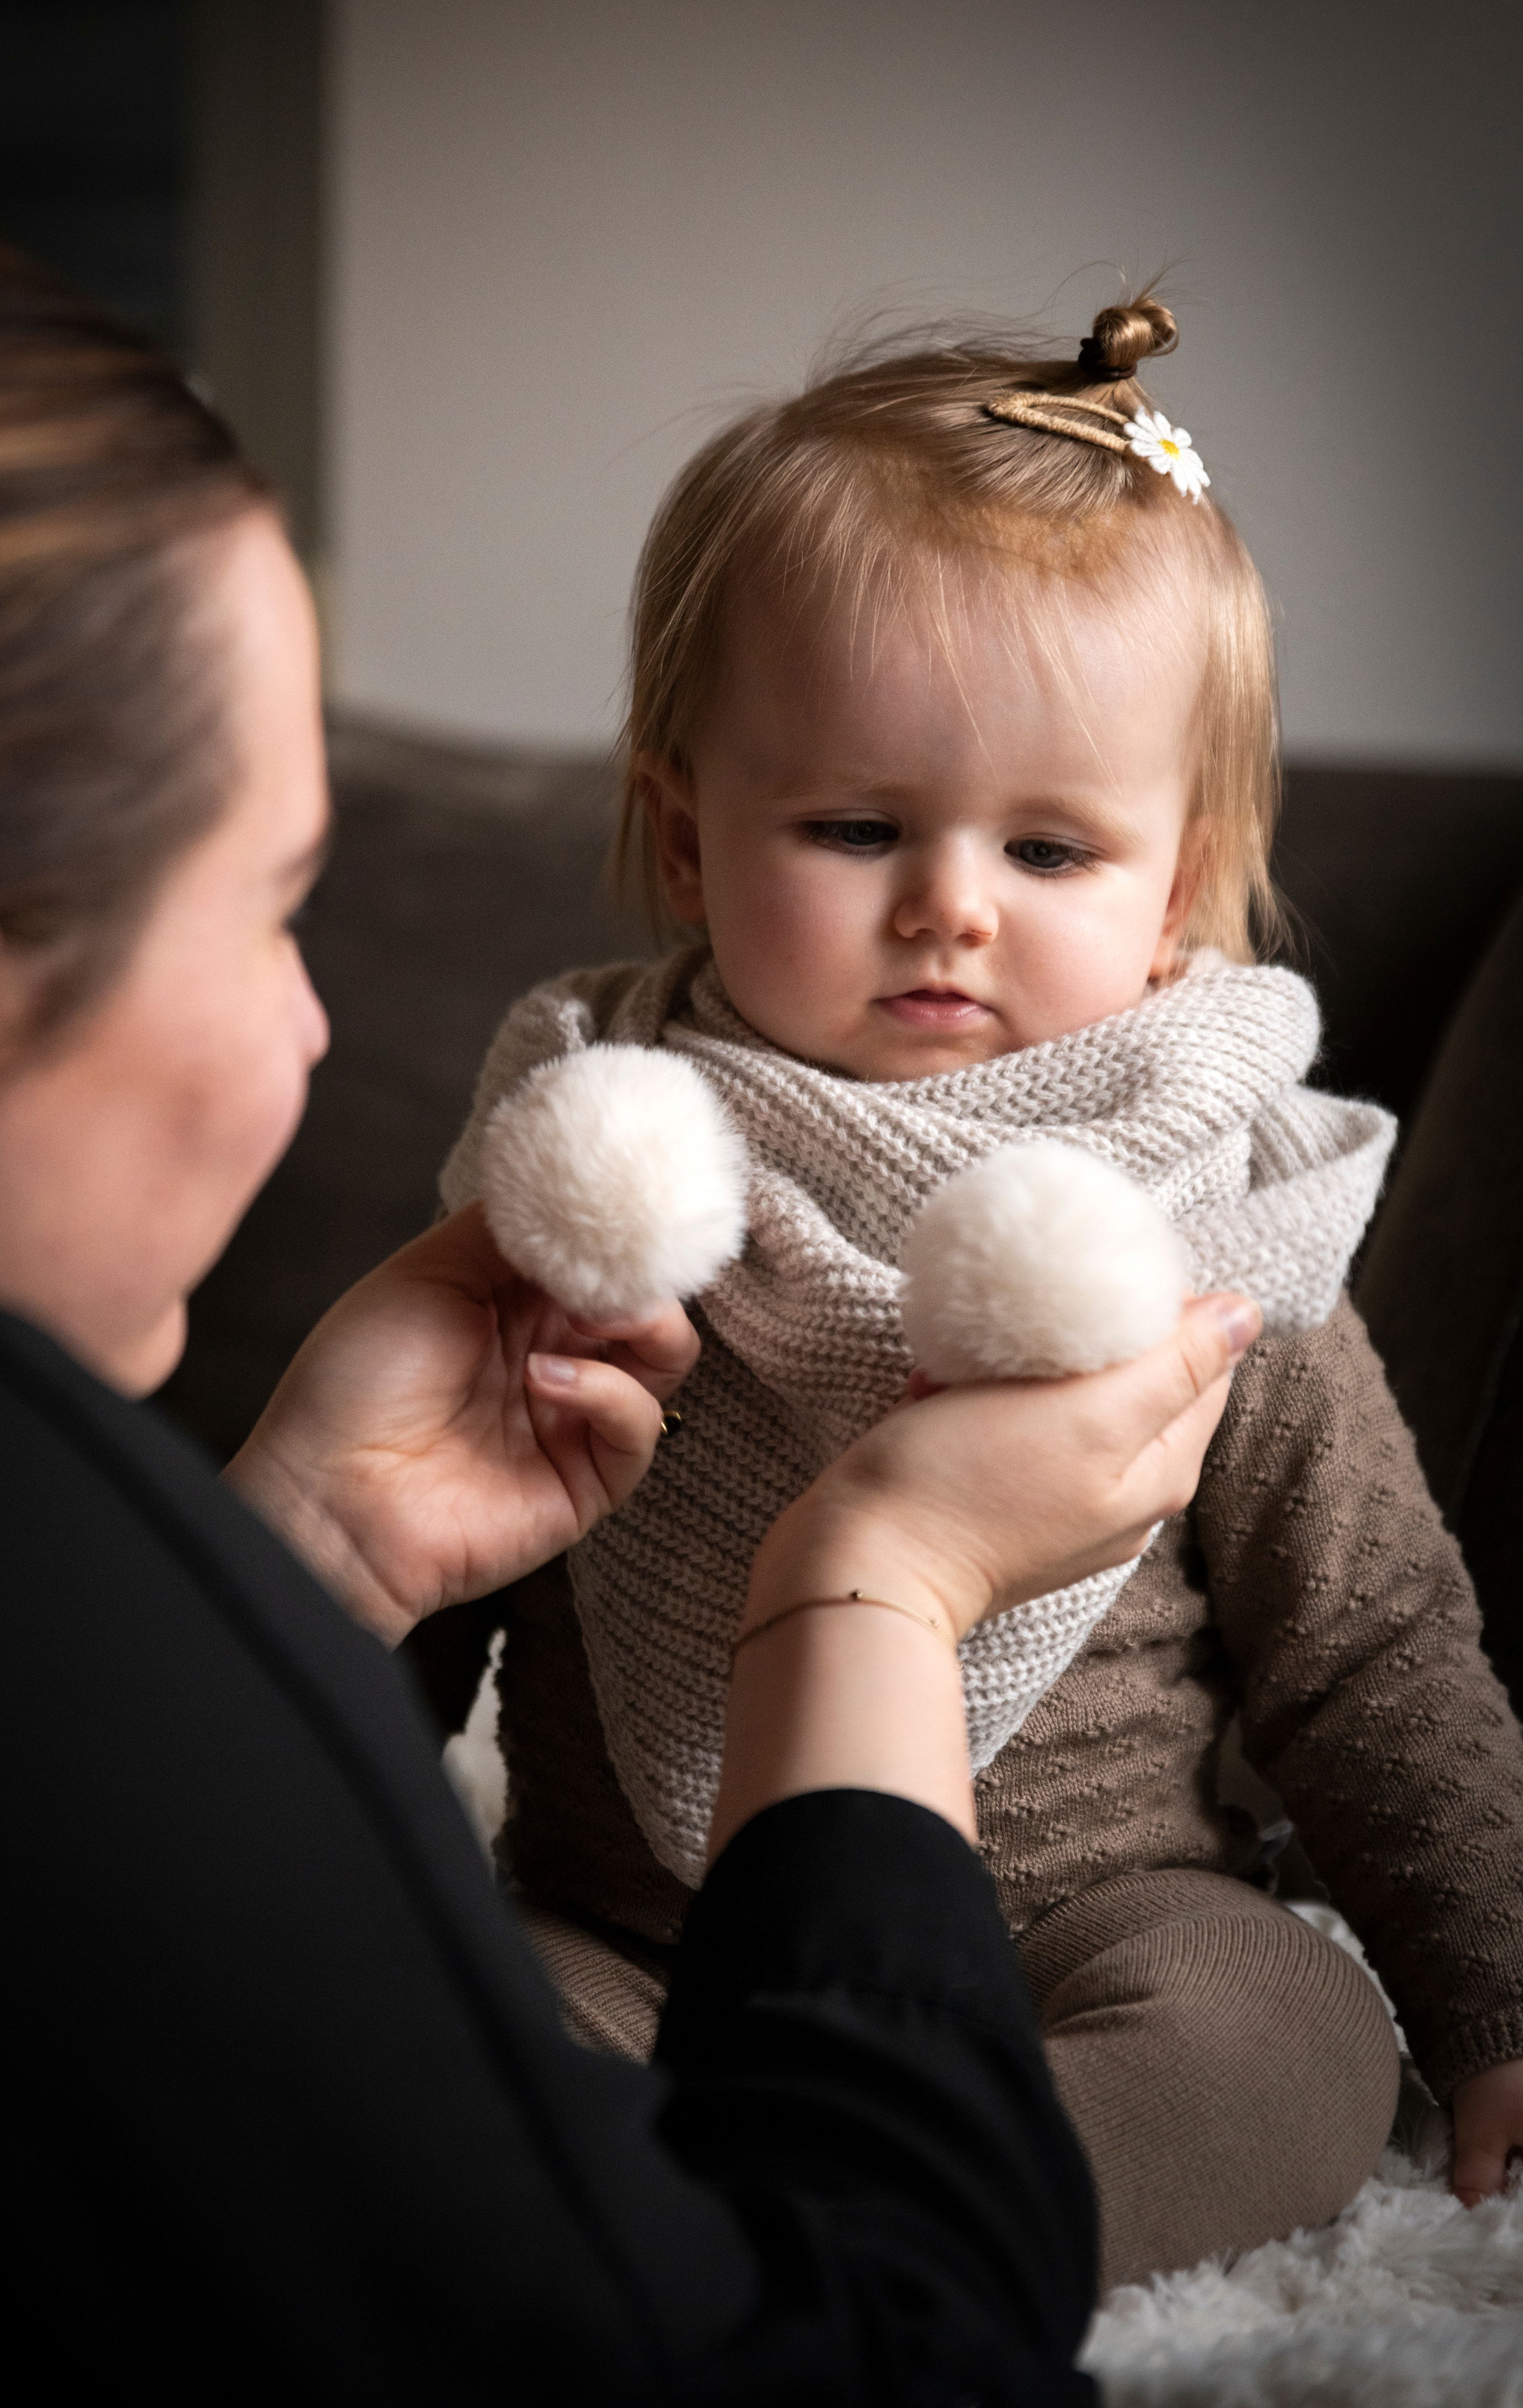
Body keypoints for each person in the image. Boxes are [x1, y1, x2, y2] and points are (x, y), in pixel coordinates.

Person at [0, 196, 1250, 2401]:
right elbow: (886, 2358)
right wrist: (874, 1580)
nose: (312, 1031)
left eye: (1051, 849)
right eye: (278, 905)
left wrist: (302, 1552)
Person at [438, 296, 1523, 2287]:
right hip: (641, 1938)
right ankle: (717, 2210)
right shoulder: (599, 1183)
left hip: (1095, 1928)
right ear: (688, 841)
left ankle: (935, 2226)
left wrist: (1498, 2001)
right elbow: (410, 1592)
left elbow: (1370, 1647)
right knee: (437, 2030)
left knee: (1289, 2030)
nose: (949, 899)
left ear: (1177, 885)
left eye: (1045, 842)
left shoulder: (1230, 1224)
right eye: (856, 827)